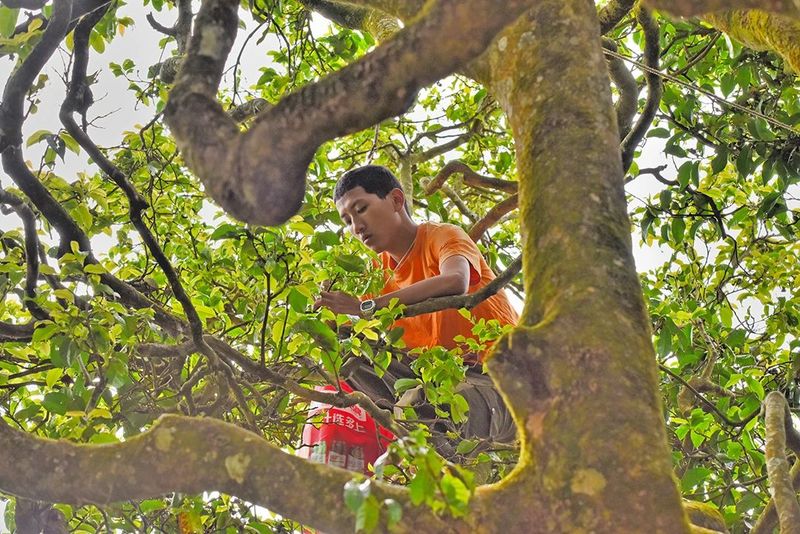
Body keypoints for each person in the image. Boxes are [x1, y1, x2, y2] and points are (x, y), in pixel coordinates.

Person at [311, 164, 518, 458]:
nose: (356, 227)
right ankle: (412, 443)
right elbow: (359, 335)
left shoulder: (441, 236)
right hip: (430, 381)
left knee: (429, 408)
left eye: (362, 209)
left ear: (396, 200)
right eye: (347, 220)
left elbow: (455, 281)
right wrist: (327, 319)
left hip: (497, 377)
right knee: (344, 348)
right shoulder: (376, 275)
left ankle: (441, 459)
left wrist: (364, 307)